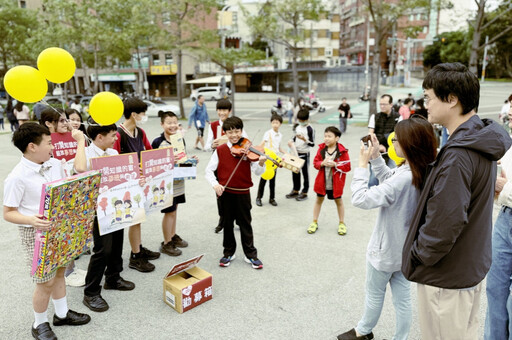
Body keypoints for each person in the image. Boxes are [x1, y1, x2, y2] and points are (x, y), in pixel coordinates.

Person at [402, 62, 512, 340]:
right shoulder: (480, 140)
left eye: (429, 97)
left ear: (451, 99)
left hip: (446, 277)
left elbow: (445, 221)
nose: (425, 103)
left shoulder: (459, 153)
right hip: (466, 269)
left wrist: (419, 255)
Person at [338, 116, 437, 340]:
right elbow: (389, 181)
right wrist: (375, 159)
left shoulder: (404, 177)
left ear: (409, 144)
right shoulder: (420, 169)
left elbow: (361, 199)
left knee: (374, 294)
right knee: (403, 300)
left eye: (397, 140)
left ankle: (362, 331)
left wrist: (362, 166)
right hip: (404, 250)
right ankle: (399, 338)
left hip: (383, 251)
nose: (392, 143)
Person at [3, 123, 90, 340]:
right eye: (49, 143)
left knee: (60, 271)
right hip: (35, 232)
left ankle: (62, 313)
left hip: (59, 228)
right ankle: (39, 323)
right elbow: (8, 212)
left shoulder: (53, 164)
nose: (53, 146)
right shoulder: (16, 177)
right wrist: (31, 220)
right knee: (44, 281)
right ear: (32, 146)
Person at [81, 120, 135, 313]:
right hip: (97, 209)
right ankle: (91, 292)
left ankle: (113, 277)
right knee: (102, 249)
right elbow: (79, 173)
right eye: (113, 135)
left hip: (116, 205)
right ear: (100, 136)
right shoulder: (86, 155)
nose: (116, 138)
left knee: (117, 242)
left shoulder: (113, 153)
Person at [205, 116, 266, 269]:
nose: (234, 135)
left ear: (241, 131)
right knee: (227, 223)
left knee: (246, 224)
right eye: (230, 132)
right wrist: (216, 184)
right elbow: (209, 171)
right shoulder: (220, 150)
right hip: (225, 193)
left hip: (243, 193)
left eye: (237, 131)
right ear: (224, 133)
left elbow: (257, 172)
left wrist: (261, 163)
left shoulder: (247, 149)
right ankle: (228, 253)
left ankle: (251, 255)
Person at [39, 107, 88, 287]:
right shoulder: (45, 141)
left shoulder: (73, 136)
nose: (67, 123)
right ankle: (65, 272)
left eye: (66, 119)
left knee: (73, 231)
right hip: (59, 192)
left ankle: (72, 268)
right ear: (48, 124)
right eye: (61, 121)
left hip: (76, 187)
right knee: (62, 233)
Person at [113, 97, 160, 273]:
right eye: (143, 113)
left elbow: (149, 153)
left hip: (140, 183)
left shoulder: (140, 133)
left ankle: (138, 247)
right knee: (135, 219)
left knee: (140, 218)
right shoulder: (118, 134)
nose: (145, 116)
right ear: (134, 114)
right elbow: (115, 162)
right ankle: (135, 255)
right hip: (126, 186)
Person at [152, 111, 197, 256]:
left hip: (178, 181)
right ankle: (166, 243)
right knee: (169, 212)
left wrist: (191, 160)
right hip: (165, 184)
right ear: (162, 124)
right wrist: (170, 160)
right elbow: (152, 164)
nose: (172, 126)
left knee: (174, 210)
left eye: (174, 122)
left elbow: (182, 160)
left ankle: (172, 236)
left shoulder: (179, 139)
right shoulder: (157, 142)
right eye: (169, 123)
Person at [485, 106, 512, 339]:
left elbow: (505, 186)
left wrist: (505, 189)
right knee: (495, 290)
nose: (509, 112)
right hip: (505, 217)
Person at [204, 98, 247, 234]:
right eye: (220, 110)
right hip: (219, 163)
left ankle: (239, 219)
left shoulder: (235, 125)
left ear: (229, 111)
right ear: (217, 111)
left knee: (236, 192)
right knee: (220, 193)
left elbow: (246, 141)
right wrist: (212, 145)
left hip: (235, 160)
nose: (222, 112)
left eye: (225, 110)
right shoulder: (213, 125)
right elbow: (206, 146)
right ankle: (222, 219)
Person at [307, 126, 351, 235]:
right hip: (322, 182)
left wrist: (336, 164)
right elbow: (315, 163)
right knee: (318, 200)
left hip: (336, 184)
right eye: (325, 136)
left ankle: (341, 223)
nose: (326, 138)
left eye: (329, 136)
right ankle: (314, 221)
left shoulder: (342, 151)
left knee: (339, 202)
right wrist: (322, 163)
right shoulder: (321, 149)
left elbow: (347, 167)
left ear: (337, 138)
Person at [367, 94, 399, 186]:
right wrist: (377, 146)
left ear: (391, 104)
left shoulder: (398, 117)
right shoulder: (375, 117)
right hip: (377, 150)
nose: (382, 106)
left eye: (384, 104)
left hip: (393, 151)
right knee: (373, 179)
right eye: (380, 104)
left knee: (392, 178)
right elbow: (371, 134)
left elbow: (399, 136)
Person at [256, 114, 285, 207]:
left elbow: (279, 148)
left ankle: (272, 198)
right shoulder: (268, 133)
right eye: (273, 122)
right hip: (267, 158)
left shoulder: (280, 135)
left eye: (277, 122)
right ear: (271, 123)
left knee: (273, 180)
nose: (275, 124)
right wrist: (258, 152)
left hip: (274, 160)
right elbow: (262, 144)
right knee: (263, 179)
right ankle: (259, 198)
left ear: (280, 124)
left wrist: (286, 153)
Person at [286, 108, 315, 201]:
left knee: (305, 173)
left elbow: (312, 144)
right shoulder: (297, 127)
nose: (301, 122)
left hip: (304, 153)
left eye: (302, 121)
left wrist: (304, 139)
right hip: (295, 153)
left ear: (307, 119)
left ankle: (305, 192)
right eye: (299, 120)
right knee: (295, 172)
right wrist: (291, 141)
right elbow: (294, 137)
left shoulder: (310, 129)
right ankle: (295, 190)